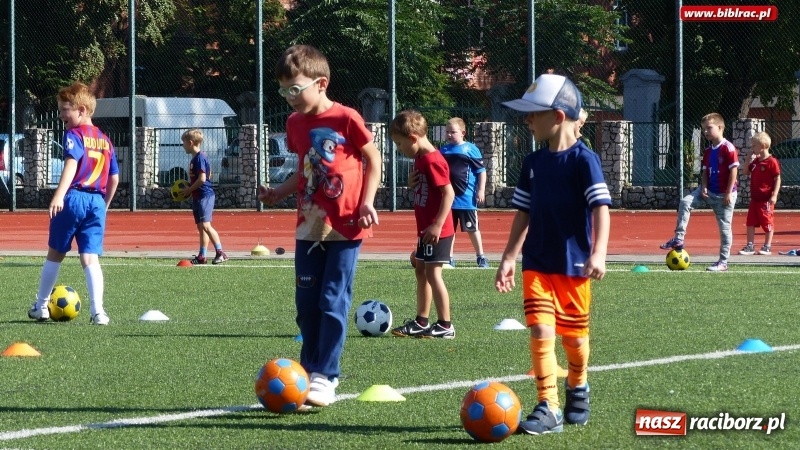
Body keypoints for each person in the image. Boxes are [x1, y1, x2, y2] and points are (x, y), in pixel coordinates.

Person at [257, 44, 381, 407]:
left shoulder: (346, 118)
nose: (289, 97)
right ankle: (309, 370)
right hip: (308, 227)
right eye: (283, 90)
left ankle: (326, 375)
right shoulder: (294, 123)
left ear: (321, 83)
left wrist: (367, 201)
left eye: (295, 89)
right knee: (306, 304)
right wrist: (278, 192)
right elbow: (305, 170)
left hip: (345, 225)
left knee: (332, 300)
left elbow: (373, 160)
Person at [496, 74, 611, 435]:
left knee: (574, 340)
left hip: (575, 266)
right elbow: (523, 213)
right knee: (542, 330)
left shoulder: (584, 160)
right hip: (538, 264)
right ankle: (549, 406)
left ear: (559, 116)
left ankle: (578, 384)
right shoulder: (532, 163)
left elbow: (600, 209)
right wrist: (509, 257)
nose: (527, 120)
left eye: (533, 114)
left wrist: (599, 253)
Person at [27, 81, 120, 325]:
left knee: (55, 253)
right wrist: (105, 204)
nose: (60, 116)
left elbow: (71, 164)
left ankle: (41, 306)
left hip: (74, 197)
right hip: (96, 201)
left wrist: (59, 194)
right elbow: (114, 178)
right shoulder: (105, 140)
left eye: (64, 110)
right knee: (90, 258)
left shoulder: (75, 134)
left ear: (82, 110)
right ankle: (98, 312)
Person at [389, 110, 456, 339]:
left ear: (413, 138)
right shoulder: (420, 158)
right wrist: (411, 184)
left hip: (437, 230)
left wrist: (438, 224)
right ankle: (421, 320)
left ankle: (446, 325)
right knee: (421, 270)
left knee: (433, 273)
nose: (399, 149)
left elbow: (449, 193)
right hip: (425, 228)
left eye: (399, 144)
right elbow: (426, 188)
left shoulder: (433, 159)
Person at [660, 112, 739, 271]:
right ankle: (679, 239)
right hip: (707, 191)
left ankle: (723, 262)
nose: (706, 132)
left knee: (725, 229)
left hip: (725, 195)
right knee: (685, 202)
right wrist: (703, 187)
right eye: (704, 129)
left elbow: (733, 171)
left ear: (720, 127)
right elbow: (704, 172)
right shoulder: (708, 151)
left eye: (709, 128)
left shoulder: (728, 148)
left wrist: (729, 193)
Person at [439, 117, 489, 268]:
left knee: (472, 228)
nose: (449, 135)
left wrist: (481, 190)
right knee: (448, 230)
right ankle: (449, 258)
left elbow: (481, 171)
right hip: (448, 199)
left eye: (452, 132)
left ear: (463, 133)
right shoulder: (443, 150)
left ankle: (481, 257)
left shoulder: (470, 149)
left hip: (466, 198)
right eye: (447, 132)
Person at [180, 128, 227, 265]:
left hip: (204, 196)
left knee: (206, 225)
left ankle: (220, 252)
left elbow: (202, 178)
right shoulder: (197, 158)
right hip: (198, 196)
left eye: (183, 143)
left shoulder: (200, 158)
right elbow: (209, 174)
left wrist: (189, 189)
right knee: (201, 227)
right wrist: (191, 189)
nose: (182, 146)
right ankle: (202, 256)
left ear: (190, 142)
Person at [739, 132, 780, 256]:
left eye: (754, 146)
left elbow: (777, 178)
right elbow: (746, 172)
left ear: (762, 146)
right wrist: (747, 160)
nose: (752, 148)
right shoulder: (756, 162)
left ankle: (767, 246)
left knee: (767, 222)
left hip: (765, 199)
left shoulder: (772, 162)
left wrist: (774, 195)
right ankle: (750, 245)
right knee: (750, 222)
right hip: (755, 199)